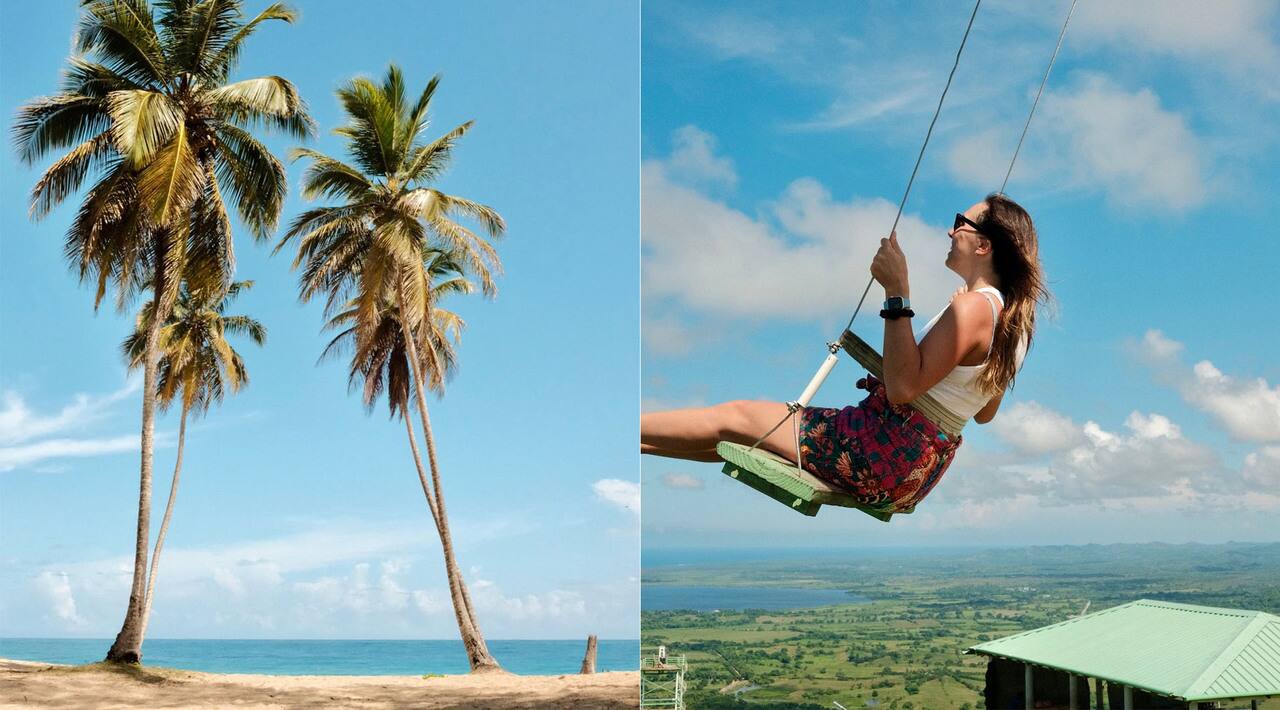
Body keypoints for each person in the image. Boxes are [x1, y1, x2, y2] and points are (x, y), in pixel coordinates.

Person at [641, 193, 1048, 513]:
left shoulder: (974, 309)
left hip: (883, 450)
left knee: (737, 415)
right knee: (749, 436)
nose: (950, 230)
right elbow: (983, 412)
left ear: (984, 245)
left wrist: (896, 291)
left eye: (961, 222)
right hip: (913, 474)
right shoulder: (1013, 324)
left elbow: (903, 387)